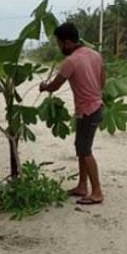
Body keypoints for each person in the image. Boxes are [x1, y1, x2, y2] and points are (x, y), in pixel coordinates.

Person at [39, 23, 105, 205]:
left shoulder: (71, 61)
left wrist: (44, 87)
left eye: (59, 44)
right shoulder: (95, 55)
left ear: (67, 42)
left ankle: (97, 192)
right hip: (95, 107)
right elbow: (102, 81)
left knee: (85, 150)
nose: (60, 48)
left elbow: (55, 85)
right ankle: (82, 186)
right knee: (80, 147)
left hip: (88, 110)